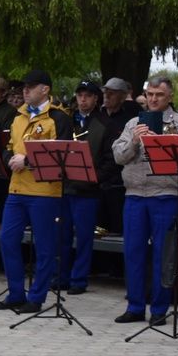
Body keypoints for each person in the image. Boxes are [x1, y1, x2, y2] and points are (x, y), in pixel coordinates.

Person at [0, 70, 72, 313]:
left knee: (44, 247)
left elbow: (62, 155)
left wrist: (27, 161)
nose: (25, 91)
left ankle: (37, 297)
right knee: (7, 239)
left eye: (31, 87)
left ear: (45, 89)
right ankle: (15, 293)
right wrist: (9, 158)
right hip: (16, 188)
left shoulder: (58, 118)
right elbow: (9, 146)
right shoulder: (18, 116)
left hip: (45, 191)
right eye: (23, 87)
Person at [110, 75, 178, 324]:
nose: (153, 99)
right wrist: (134, 141)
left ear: (170, 96)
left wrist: (162, 141)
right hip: (134, 195)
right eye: (150, 94)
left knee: (163, 255)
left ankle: (159, 310)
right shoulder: (134, 122)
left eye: (159, 95)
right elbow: (118, 156)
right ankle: (134, 306)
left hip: (165, 194)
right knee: (133, 252)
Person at [59, 81, 109, 294]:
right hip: (65, 187)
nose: (83, 99)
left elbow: (109, 160)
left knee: (84, 238)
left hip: (88, 191)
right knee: (61, 235)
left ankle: (78, 280)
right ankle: (61, 276)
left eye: (88, 96)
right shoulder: (67, 120)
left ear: (96, 99)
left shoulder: (104, 123)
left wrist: (94, 177)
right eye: (80, 95)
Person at [97, 77, 141, 234]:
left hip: (118, 183)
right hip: (98, 182)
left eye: (112, 93)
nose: (107, 96)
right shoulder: (97, 116)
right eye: (105, 92)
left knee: (117, 230)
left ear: (123, 97)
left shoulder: (129, 119)